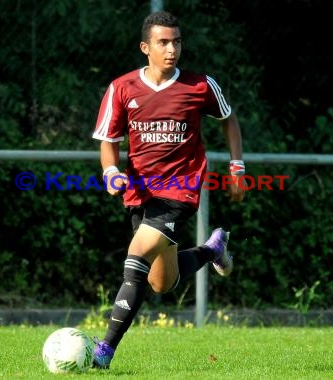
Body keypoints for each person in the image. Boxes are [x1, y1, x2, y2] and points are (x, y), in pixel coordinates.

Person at [91, 10, 246, 369]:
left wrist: (237, 166)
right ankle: (212, 250)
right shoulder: (122, 88)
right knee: (162, 282)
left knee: (137, 254)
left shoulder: (200, 86)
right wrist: (111, 171)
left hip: (181, 189)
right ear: (146, 47)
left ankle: (105, 351)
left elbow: (229, 120)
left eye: (176, 41)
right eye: (163, 42)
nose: (171, 49)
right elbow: (108, 140)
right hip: (140, 193)